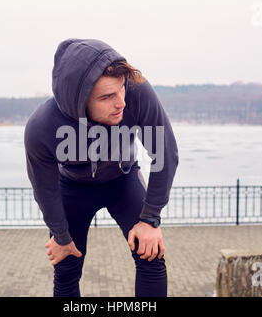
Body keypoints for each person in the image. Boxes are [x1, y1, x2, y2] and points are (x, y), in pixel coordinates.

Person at [24, 38, 179, 297]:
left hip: (123, 178)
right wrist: (61, 236)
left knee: (150, 255)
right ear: (79, 101)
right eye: (108, 97)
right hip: (72, 186)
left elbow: (165, 153)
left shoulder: (137, 92)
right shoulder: (42, 128)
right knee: (66, 267)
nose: (122, 103)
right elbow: (44, 188)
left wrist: (150, 218)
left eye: (121, 90)